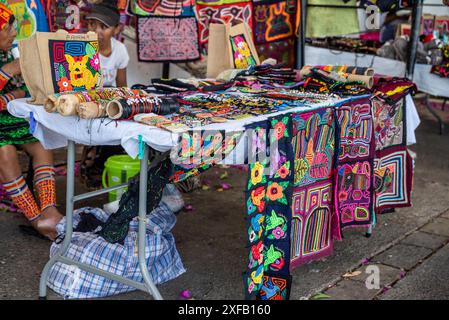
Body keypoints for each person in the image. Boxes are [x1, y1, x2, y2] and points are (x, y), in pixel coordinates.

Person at [0, 3, 62, 240]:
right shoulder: (9, 60)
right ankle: (36, 219)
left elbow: (25, 90)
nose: (14, 33)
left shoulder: (10, 52)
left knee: (42, 144)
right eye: (8, 28)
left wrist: (11, 94)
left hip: (11, 119)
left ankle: (49, 210)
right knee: (5, 152)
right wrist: (8, 71)